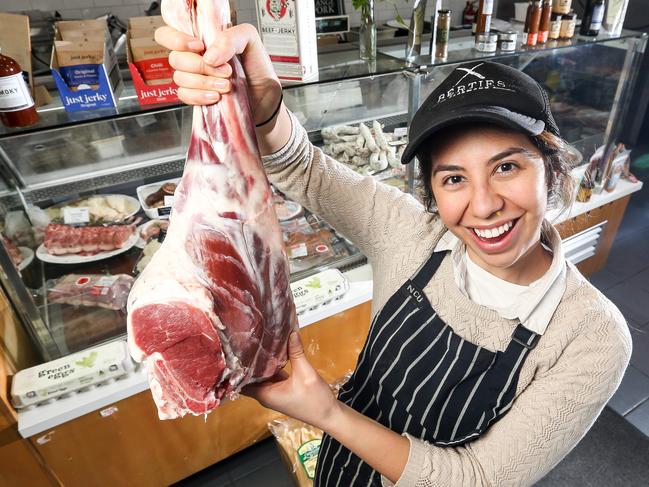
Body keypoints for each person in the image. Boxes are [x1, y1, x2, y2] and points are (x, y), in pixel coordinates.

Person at [155, 23, 631, 487]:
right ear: (432, 191)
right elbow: (306, 168)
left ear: (552, 168)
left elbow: (479, 477)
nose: (483, 205)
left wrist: (326, 414)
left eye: (506, 166)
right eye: (453, 178)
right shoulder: (412, 234)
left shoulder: (591, 336)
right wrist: (260, 102)